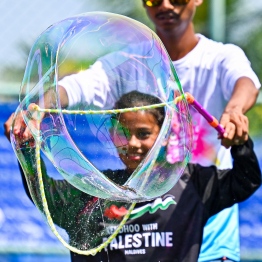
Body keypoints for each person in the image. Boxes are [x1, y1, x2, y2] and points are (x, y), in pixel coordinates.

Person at [4, 90, 261, 262]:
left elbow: (246, 179)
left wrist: (240, 143)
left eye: (143, 133)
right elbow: (46, 196)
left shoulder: (192, 184)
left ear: (163, 136)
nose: (133, 143)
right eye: (123, 133)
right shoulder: (93, 191)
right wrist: (26, 150)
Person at [141, 0, 261, 261]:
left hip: (212, 250)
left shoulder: (221, 56)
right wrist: (38, 110)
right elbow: (80, 85)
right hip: (159, 247)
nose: (165, 5)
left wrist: (234, 111)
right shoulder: (131, 65)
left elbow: (246, 81)